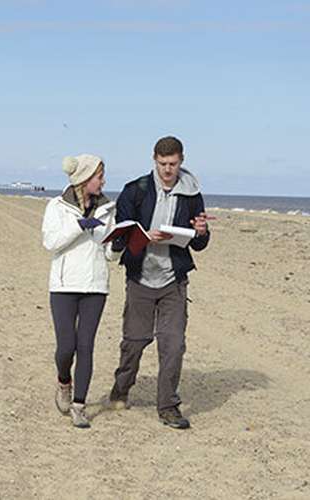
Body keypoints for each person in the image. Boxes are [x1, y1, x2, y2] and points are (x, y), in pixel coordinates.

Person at [108, 136, 211, 430]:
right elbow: (120, 234)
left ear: (182, 161)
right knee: (135, 342)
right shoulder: (135, 190)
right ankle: (121, 388)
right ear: (154, 159)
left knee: (173, 344)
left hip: (173, 280)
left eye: (174, 164)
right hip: (140, 277)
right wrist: (142, 235)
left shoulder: (192, 194)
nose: (168, 169)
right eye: (163, 164)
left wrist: (201, 232)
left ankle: (168, 406)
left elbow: (200, 242)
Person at [42, 154, 117, 428]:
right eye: (99, 176)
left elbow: (109, 252)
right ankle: (64, 381)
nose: (103, 181)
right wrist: (79, 225)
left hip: (95, 286)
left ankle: (79, 405)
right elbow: (50, 242)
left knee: (86, 346)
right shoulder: (57, 206)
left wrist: (117, 247)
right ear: (85, 179)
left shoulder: (108, 208)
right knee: (66, 348)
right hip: (63, 286)